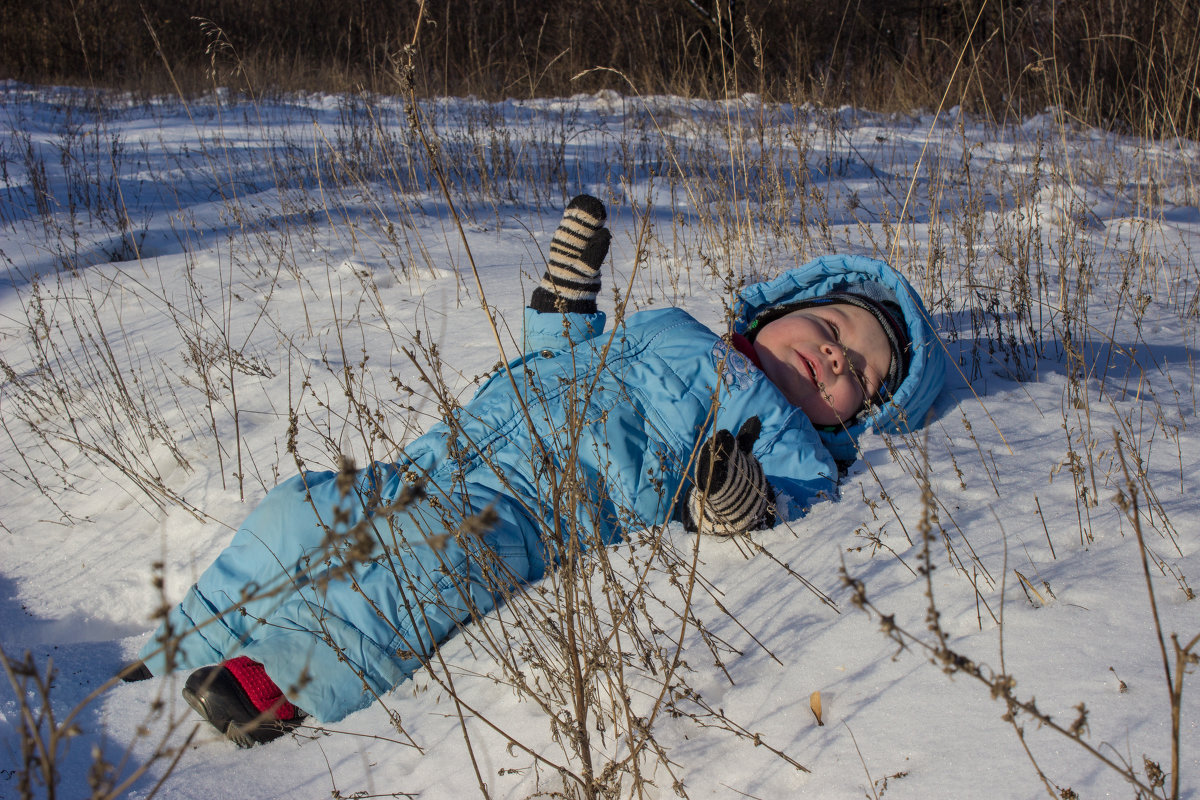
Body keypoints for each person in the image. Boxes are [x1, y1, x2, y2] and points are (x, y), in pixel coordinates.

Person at [125, 195, 946, 746]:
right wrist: (565, 303)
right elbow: (567, 364)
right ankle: (194, 628)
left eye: (861, 377)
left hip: (532, 509)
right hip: (451, 451)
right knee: (298, 512)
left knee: (423, 564)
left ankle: (271, 681)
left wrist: (736, 499)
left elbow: (782, 497)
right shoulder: (673, 326)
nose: (836, 358)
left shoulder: (789, 436)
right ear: (786, 307)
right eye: (837, 325)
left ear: (856, 414)